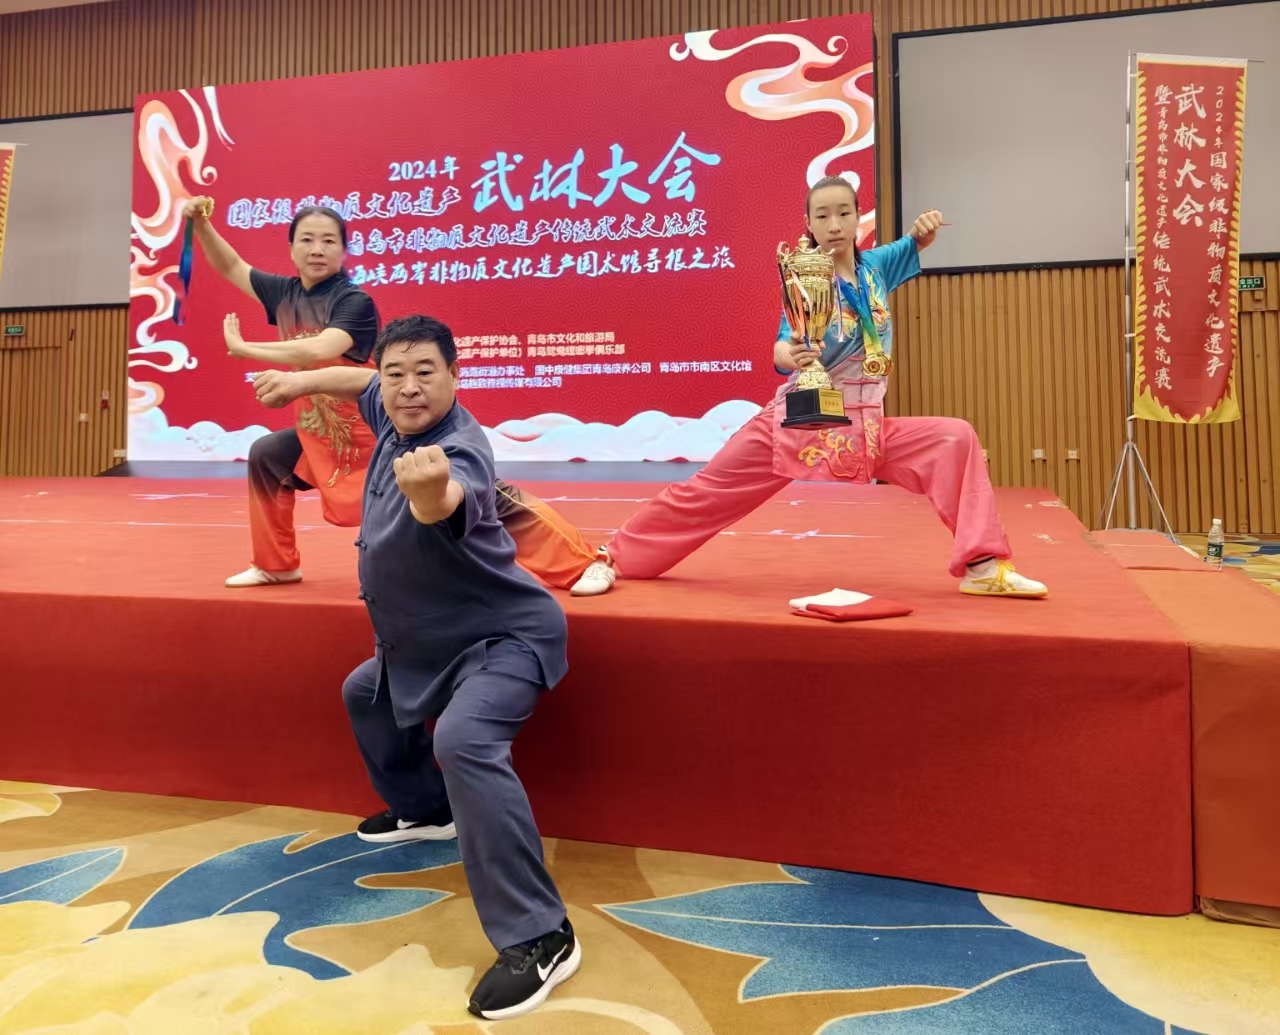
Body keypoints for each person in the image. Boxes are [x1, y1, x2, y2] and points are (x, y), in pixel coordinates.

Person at [253, 314, 580, 1021]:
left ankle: (541, 934)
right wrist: (300, 383)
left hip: (502, 639)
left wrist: (429, 493)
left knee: (463, 740)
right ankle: (427, 809)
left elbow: (447, 500)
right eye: (395, 374)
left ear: (454, 377)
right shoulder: (389, 408)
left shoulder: (458, 447)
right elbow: (357, 382)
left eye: (425, 373)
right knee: (364, 692)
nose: (406, 388)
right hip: (426, 645)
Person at [571, 176, 1047, 599]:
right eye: (823, 216)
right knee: (707, 491)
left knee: (953, 438)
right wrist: (792, 354)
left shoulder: (876, 266)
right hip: (803, 422)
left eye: (844, 213)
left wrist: (923, 233)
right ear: (809, 224)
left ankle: (983, 566)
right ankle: (613, 557)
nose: (834, 224)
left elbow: (912, 244)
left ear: (858, 218)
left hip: (865, 428)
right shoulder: (804, 279)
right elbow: (784, 344)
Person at [181, 196, 614, 595]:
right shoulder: (284, 293)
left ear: (343, 251)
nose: (317, 249)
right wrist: (200, 225)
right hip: (323, 435)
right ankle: (275, 564)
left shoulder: (353, 301)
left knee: (479, 496)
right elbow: (232, 265)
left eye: (329, 240)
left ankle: (585, 561)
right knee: (268, 456)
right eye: (307, 240)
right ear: (291, 248)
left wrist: (246, 350)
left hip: (376, 429)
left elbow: (322, 348)